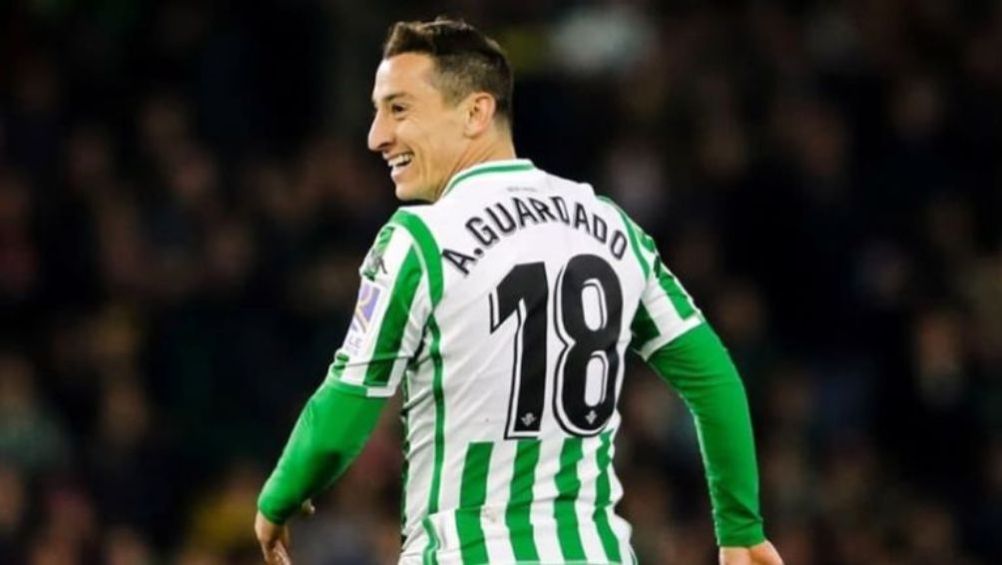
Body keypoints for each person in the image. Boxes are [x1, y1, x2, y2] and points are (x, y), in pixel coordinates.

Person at [254, 18, 783, 565]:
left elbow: (345, 410)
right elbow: (715, 381)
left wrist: (279, 497)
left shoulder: (419, 240)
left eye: (399, 109)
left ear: (475, 113)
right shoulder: (613, 227)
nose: (376, 136)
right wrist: (739, 527)